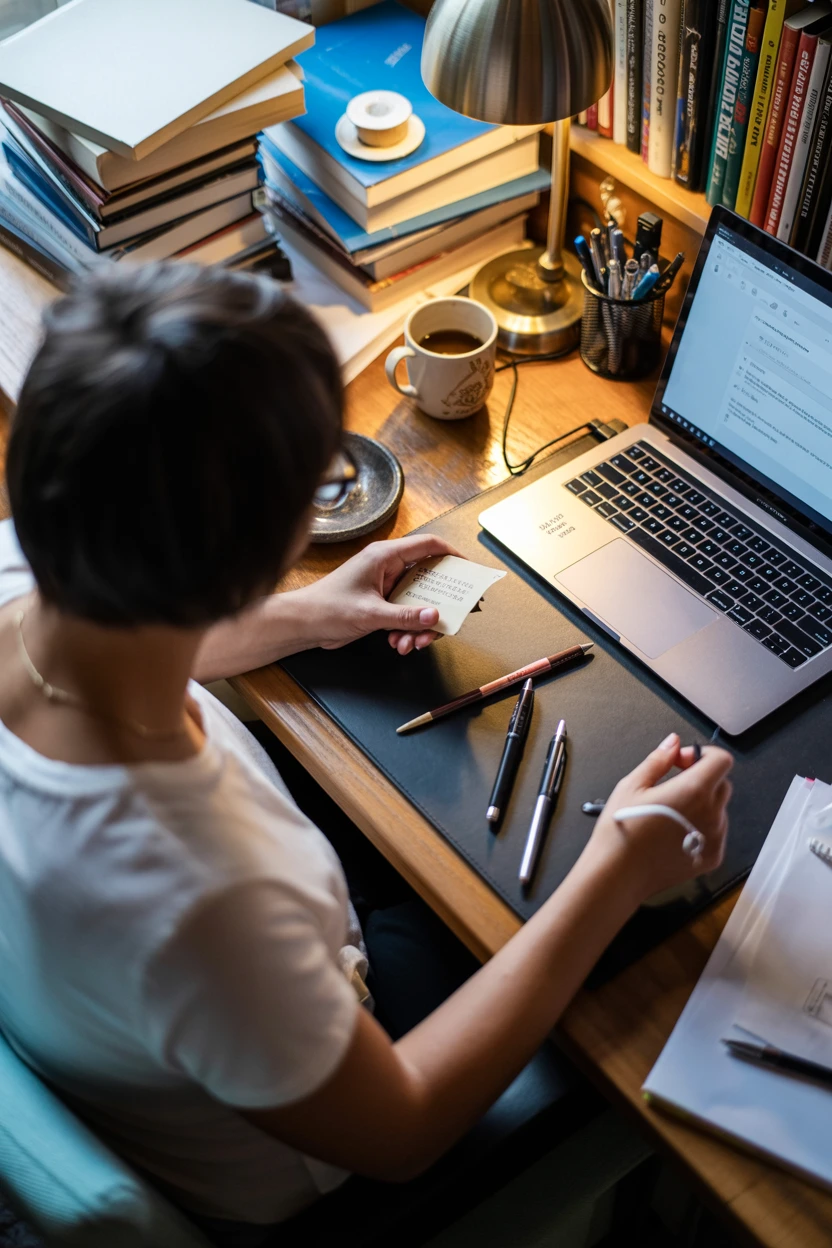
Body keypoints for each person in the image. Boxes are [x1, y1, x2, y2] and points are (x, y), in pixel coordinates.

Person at [0, 264, 732, 1244]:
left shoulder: (24, 568)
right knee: (644, 963)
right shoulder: (202, 898)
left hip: (191, 1025)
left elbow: (116, 632)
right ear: (249, 552)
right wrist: (618, 866)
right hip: (336, 1155)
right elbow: (402, 1134)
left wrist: (304, 616)